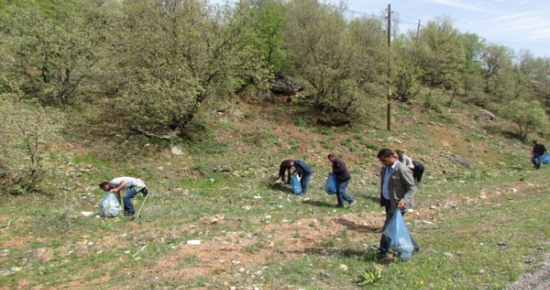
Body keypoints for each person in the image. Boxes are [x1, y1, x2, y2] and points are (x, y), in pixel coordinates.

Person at [376, 148, 419, 261]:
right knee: (396, 226)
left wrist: (404, 200)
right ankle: (413, 245)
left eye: (384, 160)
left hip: (399, 204)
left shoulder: (403, 170)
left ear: (391, 157)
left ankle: (383, 251)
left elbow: (412, 188)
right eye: (381, 161)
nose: (383, 163)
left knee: (389, 227)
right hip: (388, 202)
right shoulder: (385, 169)